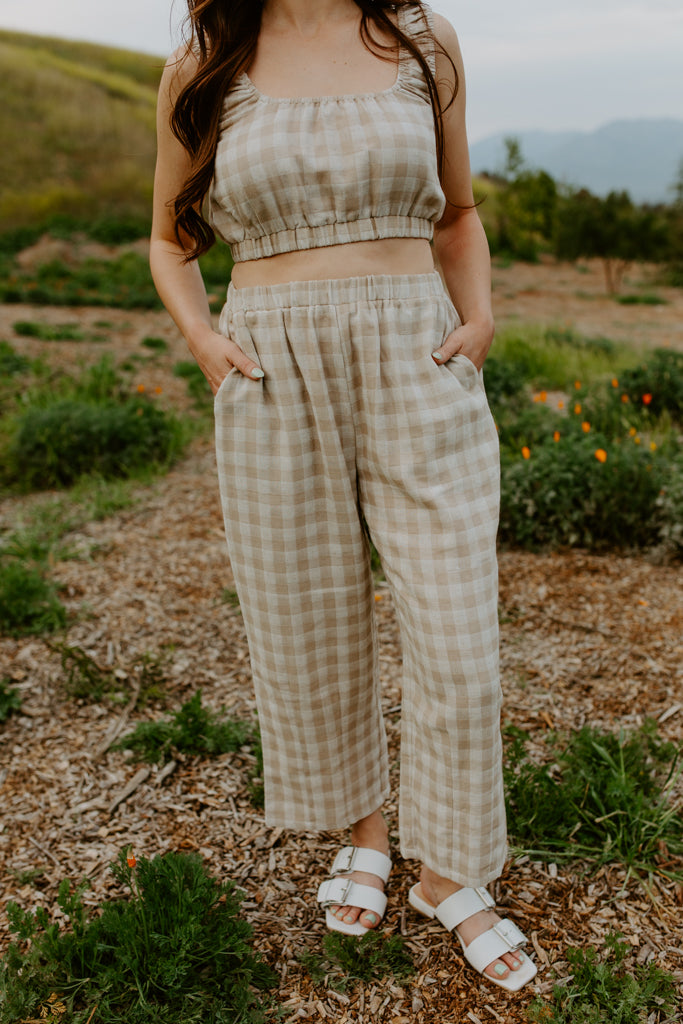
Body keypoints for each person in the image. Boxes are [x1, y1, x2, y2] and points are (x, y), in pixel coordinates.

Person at [150, 0, 538, 993]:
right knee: (307, 627)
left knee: (456, 634)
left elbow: (456, 212)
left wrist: (479, 313)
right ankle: (365, 829)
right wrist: (204, 344)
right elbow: (169, 239)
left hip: (416, 351)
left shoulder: (419, 36)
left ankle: (448, 870)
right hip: (274, 367)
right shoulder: (204, 59)